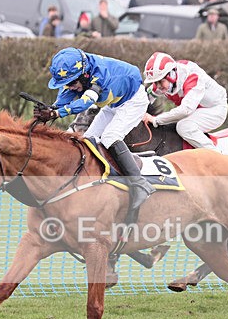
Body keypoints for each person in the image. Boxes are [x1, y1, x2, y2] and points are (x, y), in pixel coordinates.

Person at [34, 47, 154, 210]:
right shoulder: (79, 74)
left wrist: (55, 113)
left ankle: (140, 185)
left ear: (84, 75)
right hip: (113, 104)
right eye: (66, 84)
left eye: (71, 83)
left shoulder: (99, 76)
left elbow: (84, 103)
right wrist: (50, 109)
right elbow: (65, 97)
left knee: (110, 137)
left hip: (133, 101)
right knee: (87, 140)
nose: (70, 87)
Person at [142, 51, 228, 151]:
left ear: (171, 75)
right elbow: (146, 98)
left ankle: (215, 154)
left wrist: (155, 120)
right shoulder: (165, 80)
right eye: (155, 82)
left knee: (184, 127)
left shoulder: (192, 77)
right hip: (195, 110)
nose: (158, 86)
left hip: (215, 109)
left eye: (160, 81)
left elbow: (185, 110)